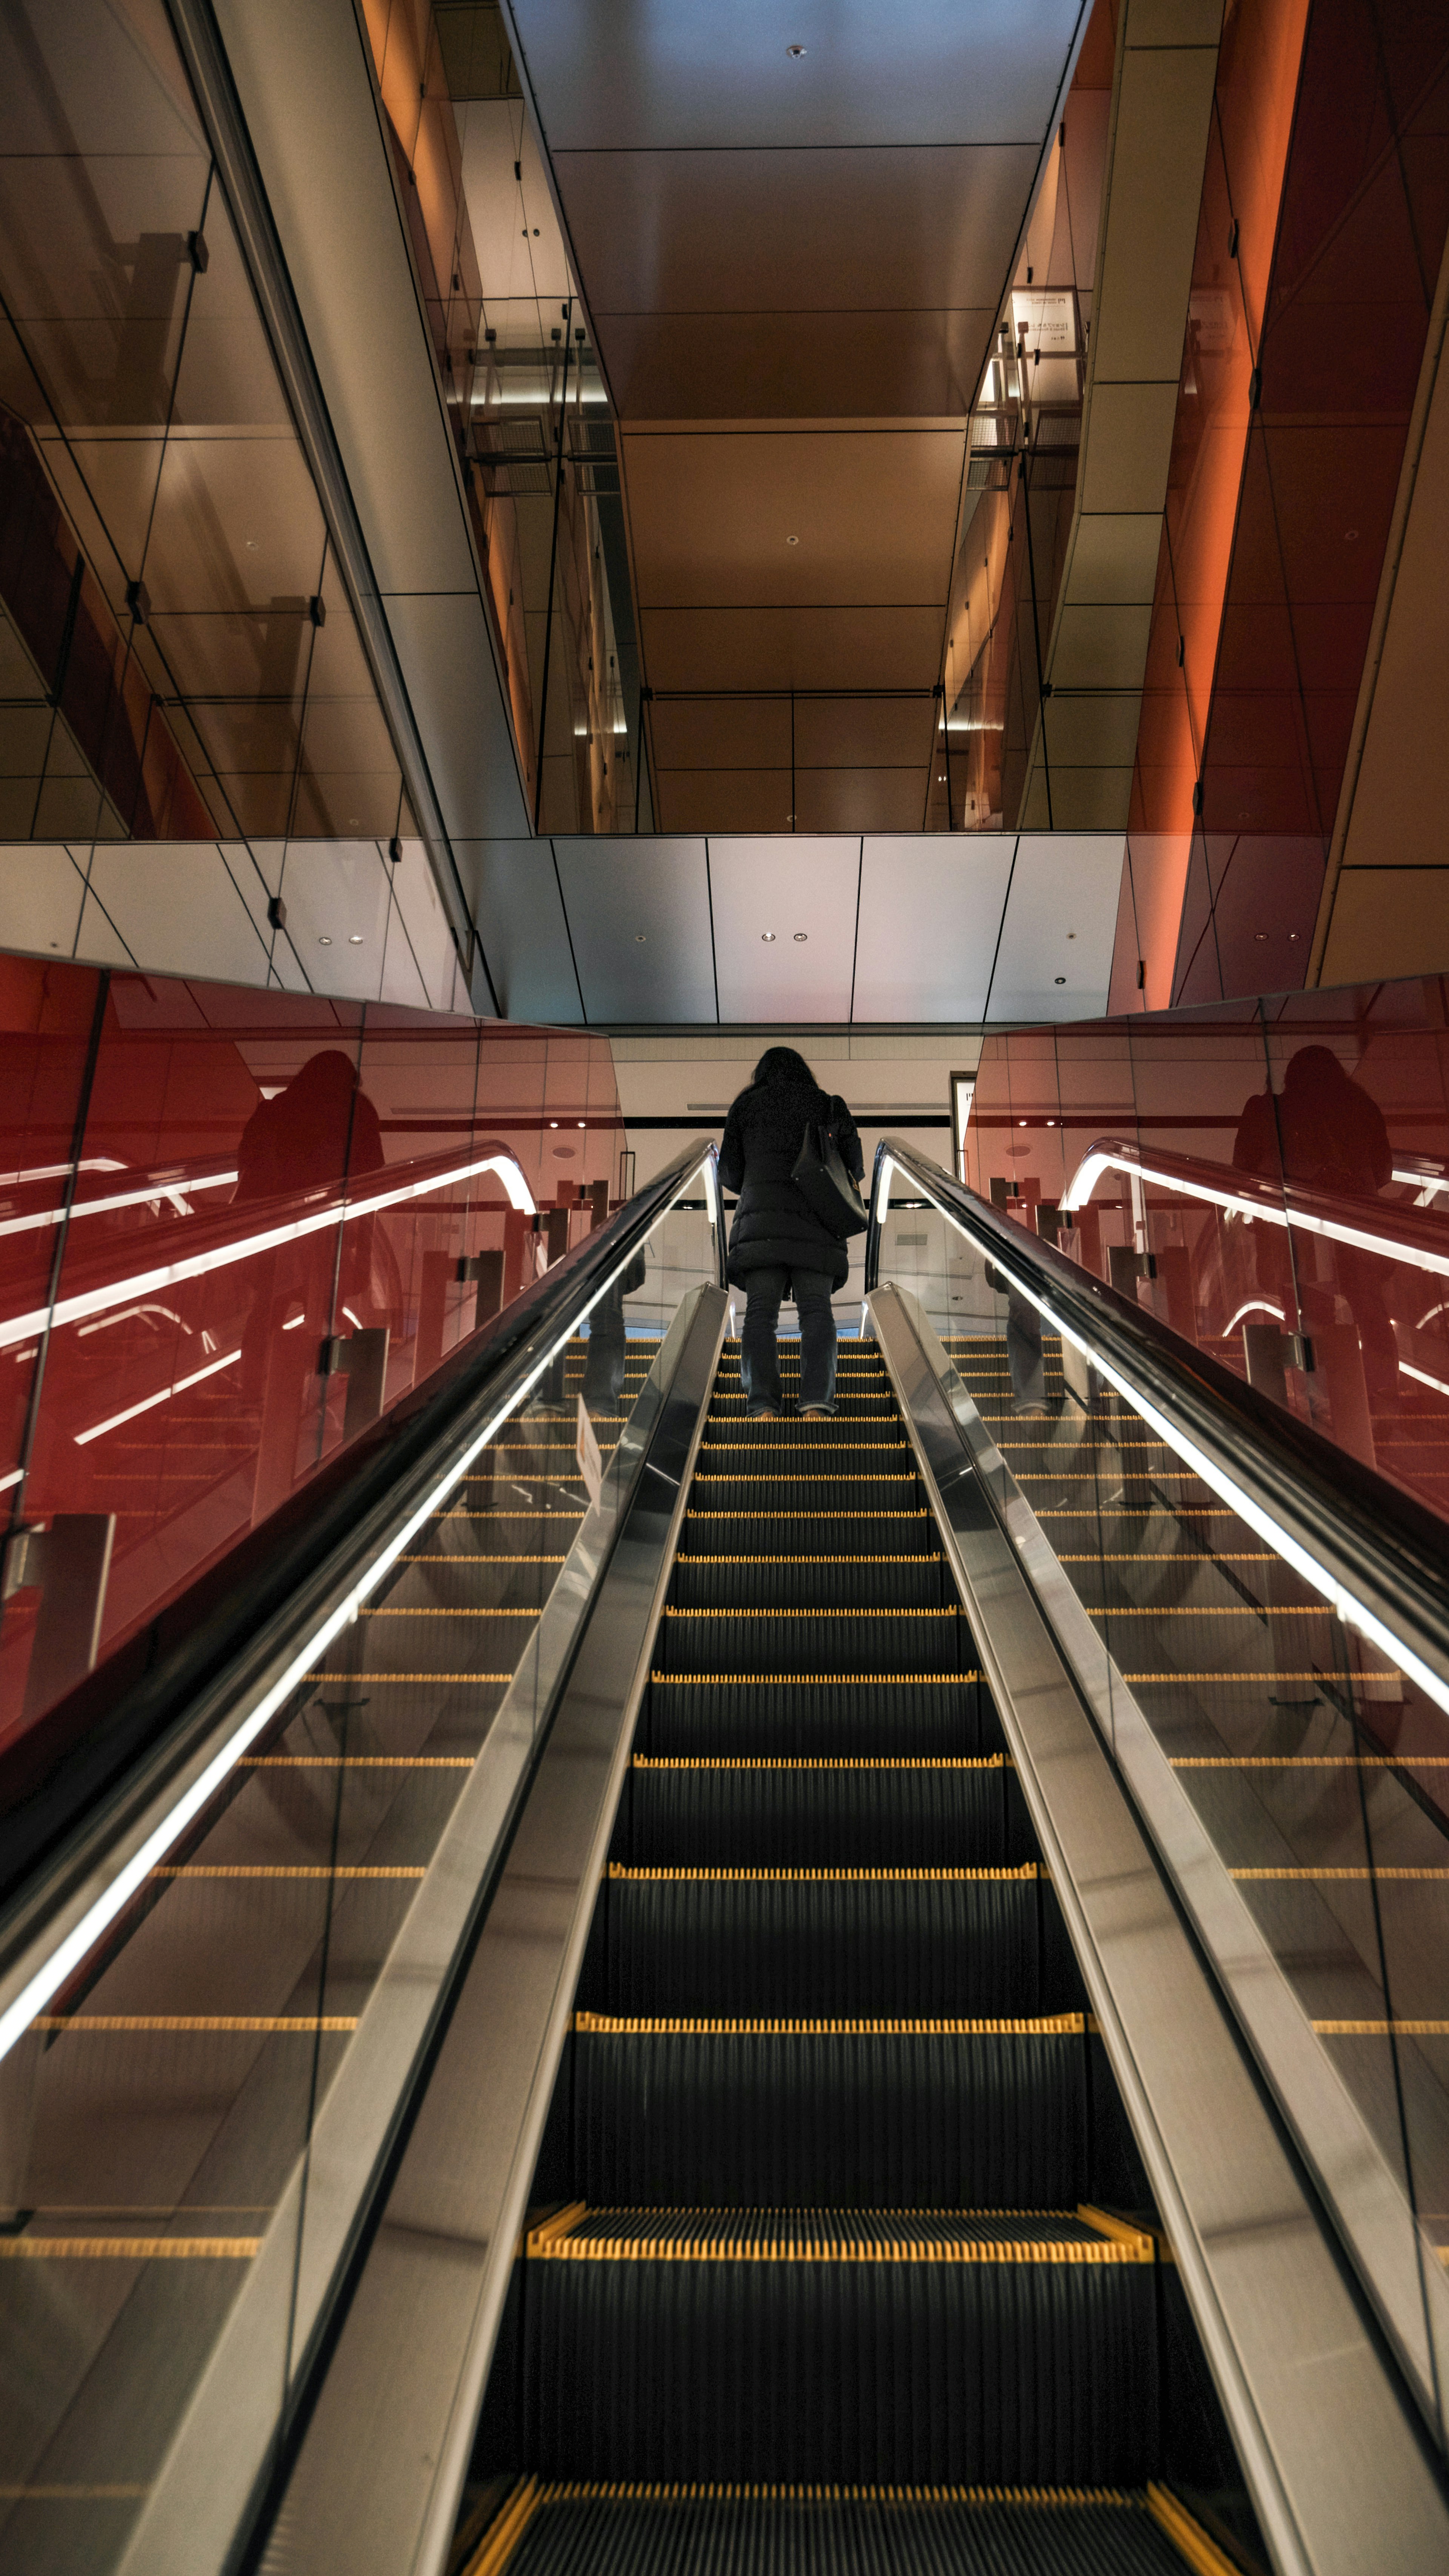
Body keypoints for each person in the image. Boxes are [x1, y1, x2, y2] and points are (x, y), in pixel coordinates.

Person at [717, 1047, 863, 1419]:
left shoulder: (746, 1107)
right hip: (816, 1224)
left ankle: (764, 1405)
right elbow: (855, 1170)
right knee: (816, 1312)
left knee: (760, 1314)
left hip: (761, 1227)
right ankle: (817, 1402)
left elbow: (729, 1175)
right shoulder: (828, 1105)